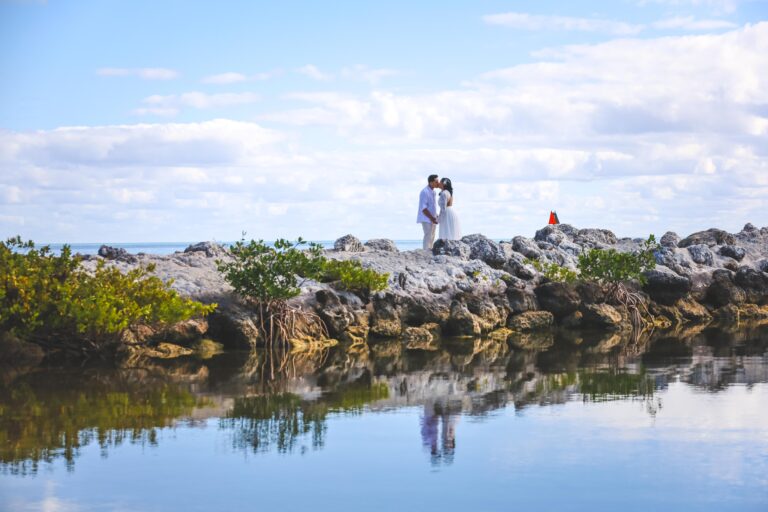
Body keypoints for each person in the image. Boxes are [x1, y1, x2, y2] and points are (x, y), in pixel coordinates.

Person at [417, 174, 440, 250]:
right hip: (426, 217)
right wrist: (432, 218)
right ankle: (425, 251)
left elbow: (433, 206)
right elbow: (423, 208)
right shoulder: (424, 192)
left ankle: (430, 251)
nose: (438, 183)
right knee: (428, 235)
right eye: (436, 181)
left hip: (432, 217)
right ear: (431, 182)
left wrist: (435, 216)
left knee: (432, 236)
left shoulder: (433, 192)